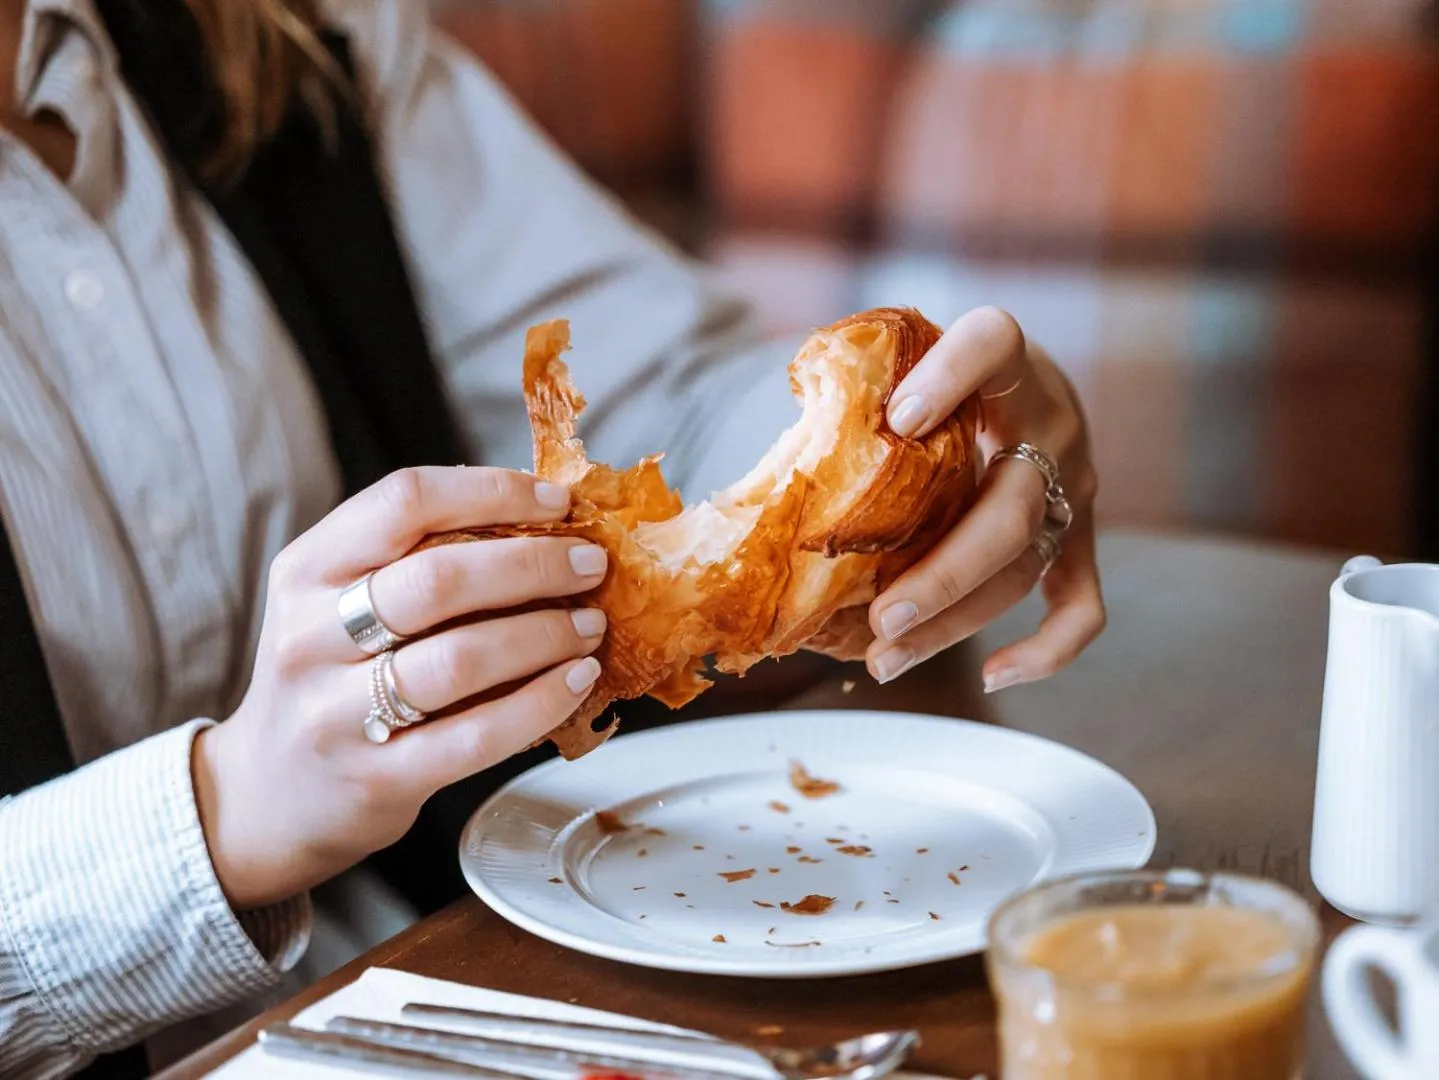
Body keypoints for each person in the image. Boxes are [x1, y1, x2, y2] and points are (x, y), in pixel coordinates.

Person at [0, 0, 1105, 1075]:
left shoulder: (292, 29)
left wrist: (908, 446)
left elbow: (670, 397)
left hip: (464, 985)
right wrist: (223, 811)